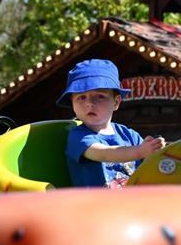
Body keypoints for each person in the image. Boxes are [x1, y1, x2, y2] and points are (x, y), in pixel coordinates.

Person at [58, 59, 166, 188]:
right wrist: (139, 151)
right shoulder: (79, 136)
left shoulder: (129, 135)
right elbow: (103, 153)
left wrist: (154, 150)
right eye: (81, 97)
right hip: (95, 200)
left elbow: (147, 166)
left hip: (133, 197)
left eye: (100, 96)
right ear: (72, 104)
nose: (89, 103)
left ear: (116, 102)